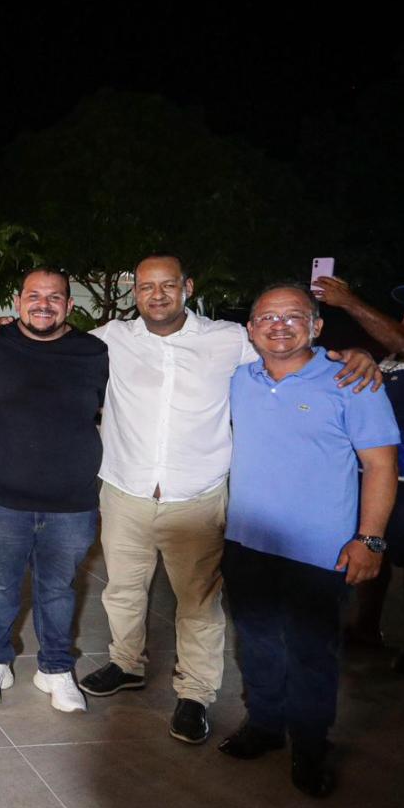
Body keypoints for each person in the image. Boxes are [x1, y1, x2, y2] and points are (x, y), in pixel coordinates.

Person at [78, 255, 379, 743]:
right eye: (147, 286)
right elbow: (52, 346)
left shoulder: (229, 339)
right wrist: (1, 327)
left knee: (198, 602)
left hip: (197, 497)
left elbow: (289, 348)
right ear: (136, 293)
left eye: (168, 285)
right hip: (125, 490)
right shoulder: (112, 337)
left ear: (188, 287)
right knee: (123, 591)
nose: (157, 295)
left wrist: (351, 354)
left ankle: (195, 694)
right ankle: (126, 663)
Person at [219, 282, 398, 797]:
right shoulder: (240, 379)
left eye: (293, 316)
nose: (279, 326)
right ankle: (265, 725)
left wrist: (371, 539)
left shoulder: (351, 380)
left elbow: (380, 464)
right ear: (251, 330)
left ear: (316, 326)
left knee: (311, 653)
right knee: (256, 642)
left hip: (320, 550)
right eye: (267, 318)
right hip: (248, 542)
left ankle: (311, 744)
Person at [0, 267, 108, 714]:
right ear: (17, 301)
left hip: (72, 502)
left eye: (55, 297)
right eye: (34, 295)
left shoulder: (94, 352)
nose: (44, 304)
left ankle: (56, 669)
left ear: (69, 304)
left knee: (58, 589)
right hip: (0, 498)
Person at [313, 277, 404, 675]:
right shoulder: (394, 355)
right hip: (377, 465)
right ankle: (366, 626)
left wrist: (348, 301)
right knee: (372, 542)